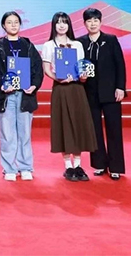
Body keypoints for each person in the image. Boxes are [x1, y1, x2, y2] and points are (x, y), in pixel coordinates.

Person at [0, 11, 43, 181]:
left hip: (25, 95)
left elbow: (37, 68)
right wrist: (2, 84)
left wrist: (34, 85)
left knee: (25, 133)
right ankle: (9, 168)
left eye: (16, 22)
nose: (13, 25)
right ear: (3, 25)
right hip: (6, 96)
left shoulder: (28, 45)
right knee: (7, 133)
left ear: (20, 24)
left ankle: (25, 167)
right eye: (9, 22)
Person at [42, 11, 97, 182]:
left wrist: (83, 76)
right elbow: (46, 70)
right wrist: (57, 78)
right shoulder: (48, 45)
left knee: (78, 124)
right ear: (54, 25)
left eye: (64, 22)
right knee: (63, 124)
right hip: (60, 89)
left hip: (77, 89)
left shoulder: (77, 45)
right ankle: (68, 166)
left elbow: (81, 68)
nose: (61, 25)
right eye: (58, 22)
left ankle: (78, 165)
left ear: (69, 25)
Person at [77, 7, 127, 180]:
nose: (93, 24)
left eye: (95, 20)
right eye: (89, 21)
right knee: (94, 130)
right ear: (84, 23)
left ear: (100, 22)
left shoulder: (111, 40)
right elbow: (77, 65)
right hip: (89, 92)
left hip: (111, 92)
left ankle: (115, 166)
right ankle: (99, 164)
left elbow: (120, 65)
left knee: (114, 129)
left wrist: (120, 87)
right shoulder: (80, 42)